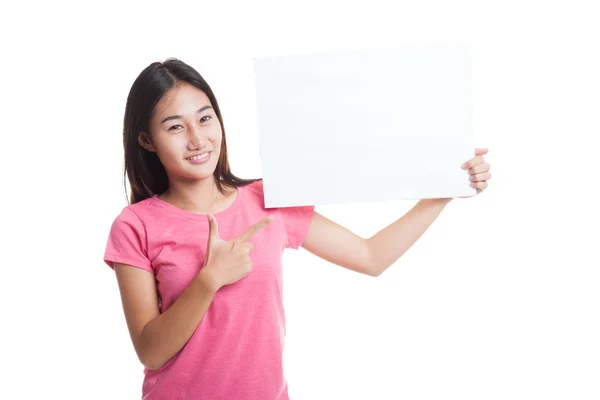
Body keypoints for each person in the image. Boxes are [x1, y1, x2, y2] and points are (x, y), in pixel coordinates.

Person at [103, 58, 491, 400]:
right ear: (146, 140)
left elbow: (371, 256)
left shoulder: (266, 201)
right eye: (175, 127)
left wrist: (444, 192)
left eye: (205, 118)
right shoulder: (135, 226)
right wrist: (209, 281)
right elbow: (150, 351)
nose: (198, 138)